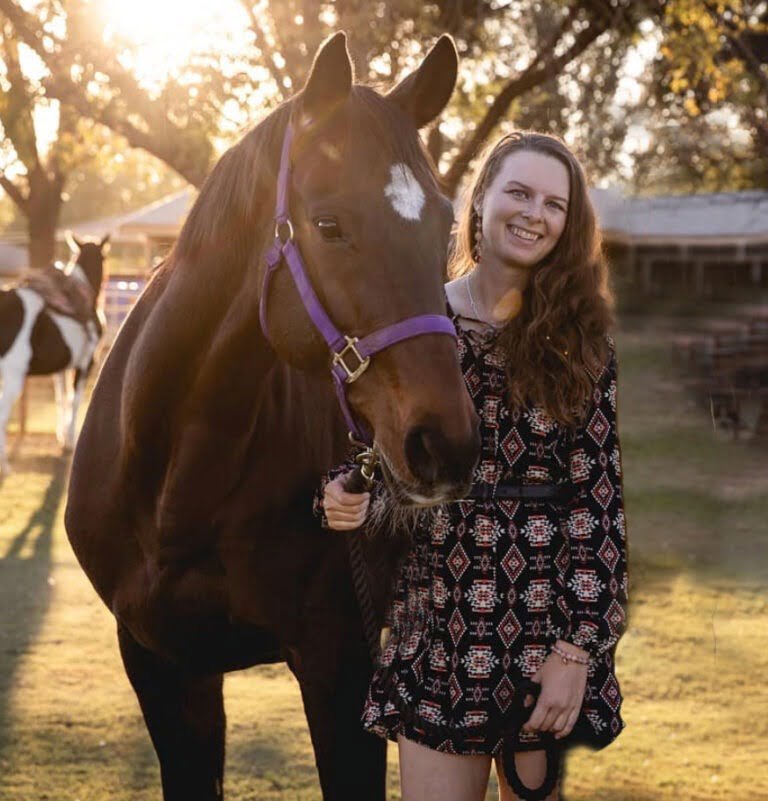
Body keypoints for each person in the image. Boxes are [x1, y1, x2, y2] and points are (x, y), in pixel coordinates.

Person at [315, 131, 628, 801]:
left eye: (554, 203)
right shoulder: (415, 326)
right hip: (438, 631)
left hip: (544, 632)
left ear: (569, 225)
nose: (534, 213)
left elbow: (599, 509)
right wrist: (347, 500)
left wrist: (577, 652)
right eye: (518, 191)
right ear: (481, 199)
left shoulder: (583, 343)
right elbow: (377, 471)